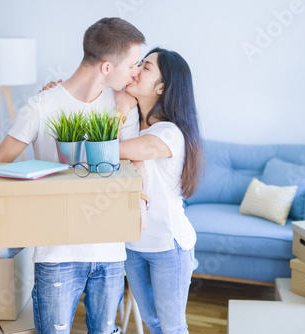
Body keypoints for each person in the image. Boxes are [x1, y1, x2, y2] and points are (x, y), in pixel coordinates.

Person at [0, 17, 145, 334]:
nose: (136, 73)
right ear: (107, 68)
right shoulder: (42, 105)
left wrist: (142, 201)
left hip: (110, 252)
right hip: (57, 255)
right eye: (132, 64)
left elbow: (134, 167)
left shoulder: (124, 106)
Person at [117, 47, 203, 334]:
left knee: (172, 326)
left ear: (162, 87)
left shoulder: (169, 133)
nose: (137, 69)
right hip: (133, 244)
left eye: (147, 67)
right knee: (152, 322)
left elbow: (109, 151)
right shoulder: (133, 125)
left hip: (169, 245)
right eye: (138, 63)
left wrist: (120, 107)